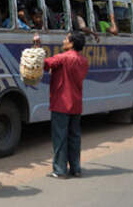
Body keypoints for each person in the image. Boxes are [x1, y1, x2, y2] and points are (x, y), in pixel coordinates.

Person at [34, 31, 89, 179]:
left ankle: (60, 170)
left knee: (60, 138)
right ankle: (76, 168)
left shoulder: (63, 58)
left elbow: (44, 64)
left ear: (71, 43)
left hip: (61, 103)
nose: (63, 41)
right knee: (74, 137)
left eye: (66, 39)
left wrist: (37, 46)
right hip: (76, 103)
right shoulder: (83, 61)